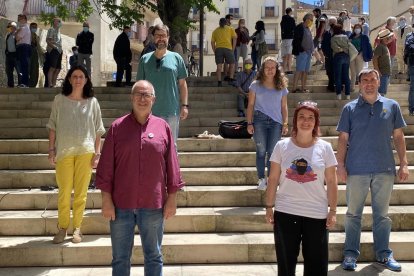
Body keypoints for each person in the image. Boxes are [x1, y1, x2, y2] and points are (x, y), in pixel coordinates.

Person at [95, 80, 184, 276]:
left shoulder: (163, 128)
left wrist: (172, 198)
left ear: (154, 99)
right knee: (120, 258)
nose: (142, 99)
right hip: (121, 205)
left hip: (153, 204)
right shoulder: (117, 127)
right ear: (131, 98)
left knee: (153, 256)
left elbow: (172, 165)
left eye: (146, 95)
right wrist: (106, 200)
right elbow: (106, 167)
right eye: (138, 94)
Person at [337, 68, 409, 272]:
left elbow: (398, 137)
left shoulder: (391, 106)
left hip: (384, 169)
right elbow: (343, 138)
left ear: (379, 82)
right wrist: (340, 164)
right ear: (359, 84)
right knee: (353, 215)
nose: (369, 83)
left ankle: (384, 254)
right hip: (356, 169)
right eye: (365, 80)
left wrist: (404, 163)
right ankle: (350, 254)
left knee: (382, 216)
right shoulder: (349, 109)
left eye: (372, 79)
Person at [266, 101, 338, 276]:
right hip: (286, 211)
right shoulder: (281, 146)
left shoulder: (325, 148)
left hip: (316, 214)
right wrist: (269, 206)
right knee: (286, 263)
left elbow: (332, 180)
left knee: (316, 265)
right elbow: (273, 178)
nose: (306, 121)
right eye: (302, 117)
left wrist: (333, 210)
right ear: (295, 120)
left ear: (316, 122)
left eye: (310, 118)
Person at [46, 65, 105, 244]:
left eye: (81, 76)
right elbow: (52, 126)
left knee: (81, 193)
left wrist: (97, 153)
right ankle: (63, 228)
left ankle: (77, 229)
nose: (78, 79)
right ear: (70, 79)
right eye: (75, 76)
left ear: (86, 80)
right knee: (64, 192)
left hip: (85, 152)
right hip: (64, 151)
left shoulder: (93, 102)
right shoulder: (59, 100)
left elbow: (98, 130)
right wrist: (51, 149)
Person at [137, 24, 189, 143]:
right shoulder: (144, 59)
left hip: (171, 111)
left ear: (168, 37)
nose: (160, 38)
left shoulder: (176, 58)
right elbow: (139, 87)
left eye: (163, 35)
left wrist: (185, 106)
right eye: (157, 35)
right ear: (153, 37)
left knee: (171, 147)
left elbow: (182, 84)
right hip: (149, 112)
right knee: (150, 146)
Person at [246, 57, 289, 191]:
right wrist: (249, 123)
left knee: (273, 152)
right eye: (267, 67)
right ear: (263, 69)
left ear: (277, 70)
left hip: (276, 122)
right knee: (261, 151)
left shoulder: (281, 86)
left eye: (273, 68)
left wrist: (285, 123)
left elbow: (284, 106)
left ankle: (271, 180)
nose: (270, 70)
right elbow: (251, 105)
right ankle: (261, 179)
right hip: (260, 120)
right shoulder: (255, 85)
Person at [211, 18, 237, 87]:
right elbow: (234, 38)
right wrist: (233, 48)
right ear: (226, 23)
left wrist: (214, 50)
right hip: (228, 48)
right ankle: (231, 78)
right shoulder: (230, 29)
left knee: (219, 66)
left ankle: (219, 81)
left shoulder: (215, 31)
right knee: (232, 64)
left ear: (219, 23)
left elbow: (212, 42)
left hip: (218, 49)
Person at [292, 13, 314, 93]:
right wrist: (302, 49)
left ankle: (303, 88)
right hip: (302, 52)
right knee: (299, 70)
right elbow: (296, 40)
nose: (312, 21)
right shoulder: (299, 27)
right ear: (306, 19)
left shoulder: (308, 28)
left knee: (305, 71)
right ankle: (294, 88)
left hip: (308, 53)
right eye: (311, 19)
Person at [349, 23, 373, 92]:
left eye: (358, 28)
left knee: (359, 73)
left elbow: (368, 46)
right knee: (353, 72)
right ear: (353, 29)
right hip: (352, 56)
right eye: (356, 28)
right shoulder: (351, 37)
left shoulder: (364, 37)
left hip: (360, 55)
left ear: (361, 29)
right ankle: (352, 87)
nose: (357, 29)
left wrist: (369, 55)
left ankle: (361, 89)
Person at [331, 23, 351, 100]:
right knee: (346, 75)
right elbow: (348, 46)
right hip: (346, 56)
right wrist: (344, 49)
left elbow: (334, 48)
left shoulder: (333, 38)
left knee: (338, 76)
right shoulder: (346, 37)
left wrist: (340, 49)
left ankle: (339, 94)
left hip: (338, 56)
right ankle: (348, 94)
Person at [373, 29, 393, 95]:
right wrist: (377, 71)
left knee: (383, 92)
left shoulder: (385, 46)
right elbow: (375, 59)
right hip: (382, 74)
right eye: (389, 37)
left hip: (386, 73)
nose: (390, 38)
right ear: (384, 39)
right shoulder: (380, 47)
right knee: (381, 93)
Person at [15, 14, 32, 87]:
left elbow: (17, 38)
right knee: (21, 66)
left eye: (20, 19)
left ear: (25, 19)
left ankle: (25, 83)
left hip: (23, 47)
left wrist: (16, 32)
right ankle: (22, 83)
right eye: (18, 19)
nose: (19, 21)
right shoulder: (23, 28)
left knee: (23, 65)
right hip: (22, 47)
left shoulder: (24, 28)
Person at [321, 16, 337, 92]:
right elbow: (323, 44)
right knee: (329, 71)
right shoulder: (326, 33)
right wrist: (325, 53)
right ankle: (331, 84)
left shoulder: (340, 32)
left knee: (335, 71)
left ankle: (332, 85)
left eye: (333, 22)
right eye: (330, 22)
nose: (331, 23)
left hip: (337, 56)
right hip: (328, 55)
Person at [46, 18, 63, 88]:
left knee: (58, 69)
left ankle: (54, 84)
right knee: (52, 68)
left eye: (60, 21)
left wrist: (60, 49)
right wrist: (54, 47)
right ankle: (50, 83)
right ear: (54, 22)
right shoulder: (51, 29)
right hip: (54, 50)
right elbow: (48, 40)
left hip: (59, 51)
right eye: (58, 21)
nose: (59, 22)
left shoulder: (58, 31)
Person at [280, 7, 296, 74]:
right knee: (289, 55)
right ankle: (289, 69)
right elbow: (294, 29)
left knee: (284, 56)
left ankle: (284, 70)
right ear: (290, 12)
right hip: (290, 38)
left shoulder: (282, 20)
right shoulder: (291, 19)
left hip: (283, 39)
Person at [28, 22, 44, 88]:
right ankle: (26, 83)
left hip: (34, 54)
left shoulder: (37, 36)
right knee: (28, 68)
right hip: (28, 53)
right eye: (33, 27)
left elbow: (38, 47)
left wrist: (42, 53)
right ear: (30, 27)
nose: (34, 28)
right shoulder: (27, 35)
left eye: (35, 27)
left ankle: (33, 84)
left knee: (34, 69)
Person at [5, 21, 19, 88]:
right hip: (9, 55)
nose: (8, 28)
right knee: (8, 71)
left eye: (9, 27)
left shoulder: (17, 35)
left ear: (14, 27)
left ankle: (20, 84)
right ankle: (10, 85)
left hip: (16, 55)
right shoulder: (8, 35)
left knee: (18, 70)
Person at [404, 26, 414, 115]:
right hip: (412, 64)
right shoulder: (409, 37)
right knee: (413, 88)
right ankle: (412, 109)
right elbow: (409, 48)